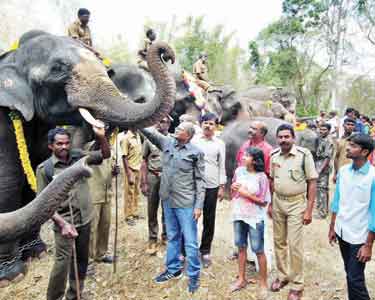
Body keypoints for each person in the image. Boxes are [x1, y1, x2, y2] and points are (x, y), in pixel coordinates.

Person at [36, 126, 110, 300]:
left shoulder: (80, 158)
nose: (64, 147)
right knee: (62, 264)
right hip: (65, 223)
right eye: (59, 144)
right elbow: (42, 204)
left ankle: (75, 294)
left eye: (67, 143)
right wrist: (62, 224)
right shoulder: (44, 169)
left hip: (85, 219)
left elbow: (104, 154)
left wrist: (101, 137)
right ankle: (53, 297)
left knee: (82, 260)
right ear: (51, 146)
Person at [141, 121, 205, 294]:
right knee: (172, 236)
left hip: (186, 203)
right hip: (168, 200)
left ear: (189, 135)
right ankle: (173, 269)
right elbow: (150, 133)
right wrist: (136, 120)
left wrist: (198, 206)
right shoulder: (166, 143)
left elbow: (200, 181)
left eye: (181, 129)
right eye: (177, 127)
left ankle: (193, 276)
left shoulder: (196, 153)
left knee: (190, 242)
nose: (177, 129)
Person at [268, 124, 318, 300]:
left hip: (297, 203)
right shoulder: (273, 156)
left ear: (293, 138)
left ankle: (297, 285)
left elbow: (312, 182)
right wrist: (270, 204)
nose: (283, 140)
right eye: (280, 137)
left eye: (286, 137)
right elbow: (271, 180)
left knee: (294, 245)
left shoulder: (304, 155)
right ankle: (283, 276)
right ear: (277, 139)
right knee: (279, 241)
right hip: (278, 202)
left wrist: (309, 210)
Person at [329, 133, 375, 300]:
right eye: (349, 144)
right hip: (342, 230)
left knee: (355, 279)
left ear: (364, 152)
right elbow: (337, 201)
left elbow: (374, 212)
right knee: (349, 273)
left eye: (353, 146)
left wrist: (368, 244)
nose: (348, 148)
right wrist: (332, 226)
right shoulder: (343, 171)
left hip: (359, 236)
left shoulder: (373, 176)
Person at [230, 147, 270, 298]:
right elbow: (234, 192)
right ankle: (241, 279)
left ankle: (263, 283)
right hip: (238, 214)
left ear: (255, 160)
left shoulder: (262, 177)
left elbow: (263, 202)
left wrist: (245, 194)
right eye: (244, 154)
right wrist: (233, 188)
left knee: (258, 250)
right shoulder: (239, 171)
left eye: (247, 156)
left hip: (255, 218)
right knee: (241, 247)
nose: (243, 157)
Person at [191, 113, 226, 267]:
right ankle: (188, 251)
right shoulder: (193, 141)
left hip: (212, 186)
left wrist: (221, 186)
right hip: (193, 185)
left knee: (209, 220)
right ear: (200, 124)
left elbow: (222, 165)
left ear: (216, 126)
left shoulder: (219, 143)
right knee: (191, 218)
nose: (208, 126)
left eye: (211, 123)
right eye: (205, 123)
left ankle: (205, 251)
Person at [85, 128, 118, 266]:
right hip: (93, 195)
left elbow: (110, 167)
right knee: (91, 229)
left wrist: (115, 171)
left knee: (104, 226)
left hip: (107, 194)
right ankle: (88, 259)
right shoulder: (88, 148)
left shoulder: (111, 149)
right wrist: (100, 137)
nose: (106, 134)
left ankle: (101, 254)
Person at [141, 116, 171, 255]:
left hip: (167, 178)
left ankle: (166, 236)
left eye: (163, 121)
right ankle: (152, 238)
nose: (160, 124)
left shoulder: (173, 140)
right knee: (152, 209)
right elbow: (144, 162)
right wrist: (144, 182)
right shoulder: (149, 140)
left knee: (167, 209)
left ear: (169, 124)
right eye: (159, 121)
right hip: (153, 176)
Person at [121, 129, 143, 226]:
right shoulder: (126, 138)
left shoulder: (138, 135)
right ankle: (128, 216)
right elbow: (124, 157)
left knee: (136, 192)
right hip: (130, 169)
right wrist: (129, 173)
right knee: (129, 193)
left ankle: (134, 212)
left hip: (138, 167)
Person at [315, 123, 334, 219]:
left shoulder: (329, 141)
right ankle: (322, 210)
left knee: (322, 189)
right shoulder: (320, 139)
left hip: (323, 167)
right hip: (318, 164)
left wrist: (319, 170)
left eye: (324, 130)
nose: (322, 131)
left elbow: (327, 157)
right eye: (320, 129)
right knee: (320, 189)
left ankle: (322, 213)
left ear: (329, 131)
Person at [334, 118, 356, 183]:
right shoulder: (339, 141)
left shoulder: (357, 139)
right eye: (348, 124)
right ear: (343, 125)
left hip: (354, 171)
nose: (350, 126)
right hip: (341, 170)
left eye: (352, 125)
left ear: (354, 127)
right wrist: (335, 173)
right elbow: (336, 157)